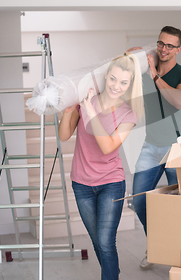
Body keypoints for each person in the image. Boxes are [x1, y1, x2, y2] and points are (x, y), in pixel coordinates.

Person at [58, 54, 144, 280]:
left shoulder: (129, 113)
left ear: (130, 84)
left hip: (111, 183)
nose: (117, 86)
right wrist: (68, 113)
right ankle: (112, 272)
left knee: (106, 242)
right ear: (106, 76)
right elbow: (64, 136)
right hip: (81, 183)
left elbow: (108, 146)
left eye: (123, 82)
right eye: (113, 79)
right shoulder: (87, 101)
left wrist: (91, 112)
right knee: (98, 241)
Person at [128, 26, 181, 269]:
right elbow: (123, 65)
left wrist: (156, 76)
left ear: (178, 49)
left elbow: (179, 101)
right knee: (139, 200)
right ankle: (156, 244)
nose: (164, 49)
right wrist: (136, 55)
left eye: (170, 45)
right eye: (161, 43)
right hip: (151, 146)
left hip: (178, 147)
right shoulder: (147, 69)